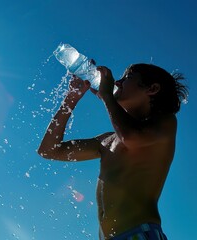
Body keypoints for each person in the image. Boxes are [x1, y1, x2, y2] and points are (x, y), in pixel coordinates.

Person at [38, 63, 188, 240]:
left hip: (141, 233)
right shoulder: (106, 141)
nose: (117, 82)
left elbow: (131, 138)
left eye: (128, 77)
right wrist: (71, 99)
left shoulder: (166, 123)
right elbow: (49, 150)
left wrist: (107, 95)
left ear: (152, 89)